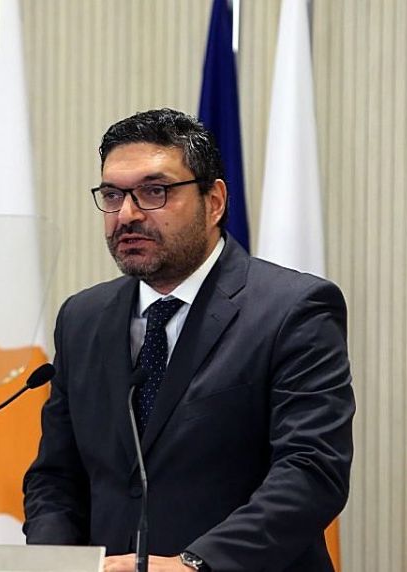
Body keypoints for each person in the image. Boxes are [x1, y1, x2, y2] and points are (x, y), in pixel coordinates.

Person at [23, 108, 354, 572]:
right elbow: (56, 477)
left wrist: (196, 564)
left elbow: (311, 471)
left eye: (154, 192)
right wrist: (56, 562)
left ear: (213, 201)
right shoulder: (83, 318)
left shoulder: (292, 309)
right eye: (113, 195)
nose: (127, 214)